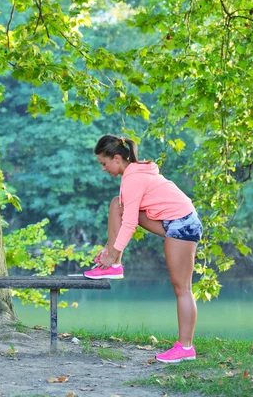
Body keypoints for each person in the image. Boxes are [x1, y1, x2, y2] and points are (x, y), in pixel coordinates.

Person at [84, 135, 202, 363]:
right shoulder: (133, 173)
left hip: (183, 224)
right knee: (116, 204)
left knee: (182, 288)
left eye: (104, 163)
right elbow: (126, 214)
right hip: (171, 221)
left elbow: (129, 224)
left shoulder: (133, 179)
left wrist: (112, 254)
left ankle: (186, 348)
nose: (103, 168)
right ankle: (115, 265)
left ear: (117, 159)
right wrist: (109, 249)